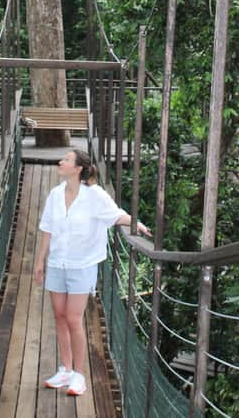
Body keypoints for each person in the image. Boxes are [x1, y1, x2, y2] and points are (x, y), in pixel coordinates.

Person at [34, 149, 151, 396]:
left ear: (78, 168)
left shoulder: (94, 195)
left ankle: (79, 375)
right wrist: (39, 261)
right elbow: (47, 229)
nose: (60, 161)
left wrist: (135, 223)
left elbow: (116, 214)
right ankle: (65, 369)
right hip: (57, 262)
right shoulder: (55, 195)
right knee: (59, 315)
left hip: (82, 264)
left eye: (66, 159)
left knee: (74, 318)